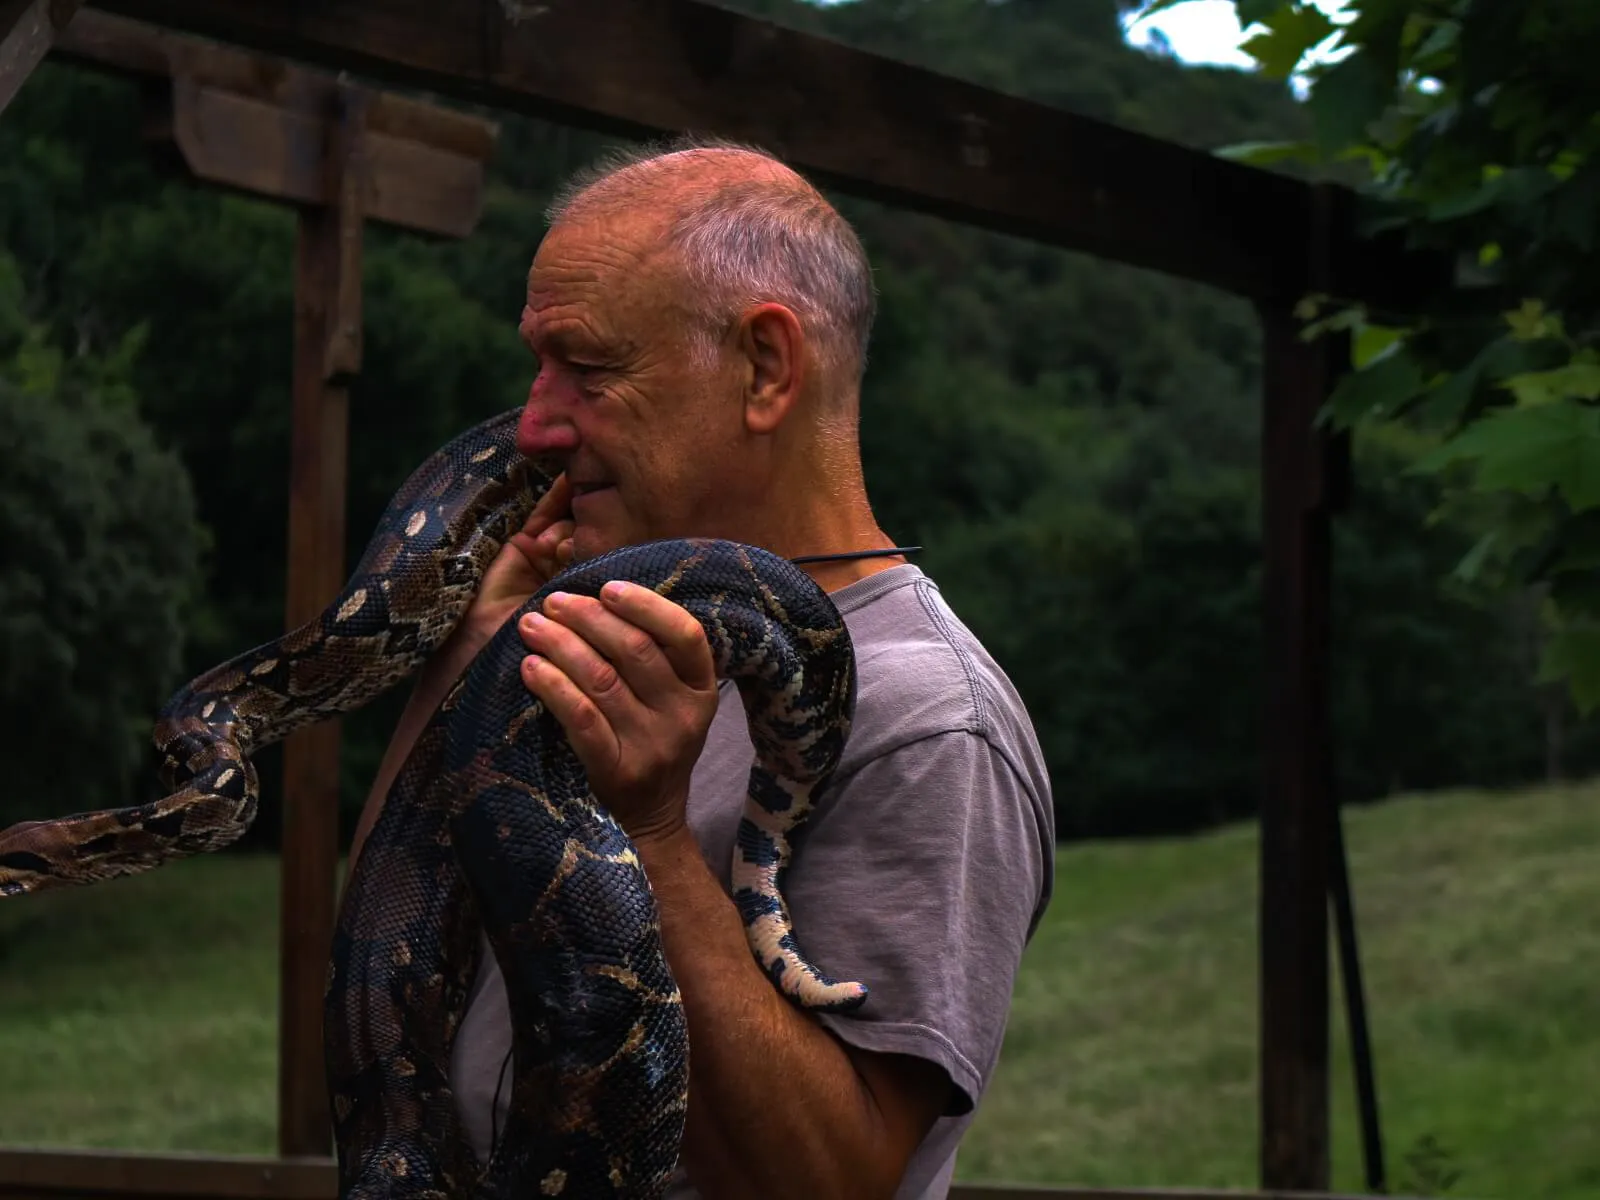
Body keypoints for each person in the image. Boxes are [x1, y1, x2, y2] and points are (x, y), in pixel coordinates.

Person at [348, 137, 1055, 1200]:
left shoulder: (928, 718)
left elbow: (840, 1177)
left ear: (766, 370)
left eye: (587, 370)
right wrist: (457, 671)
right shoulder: (587, 629)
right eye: (537, 369)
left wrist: (653, 838)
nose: (534, 426)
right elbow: (381, 944)